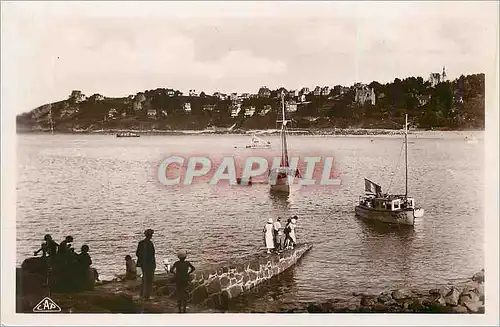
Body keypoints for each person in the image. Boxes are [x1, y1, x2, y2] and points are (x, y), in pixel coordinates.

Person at [136, 229, 156, 300]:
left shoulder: (141, 243)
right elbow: (152, 255)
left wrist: (141, 261)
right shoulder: (150, 244)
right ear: (150, 235)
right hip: (149, 265)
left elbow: (137, 253)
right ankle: (147, 296)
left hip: (142, 264)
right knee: (149, 280)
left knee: (144, 279)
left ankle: (142, 294)